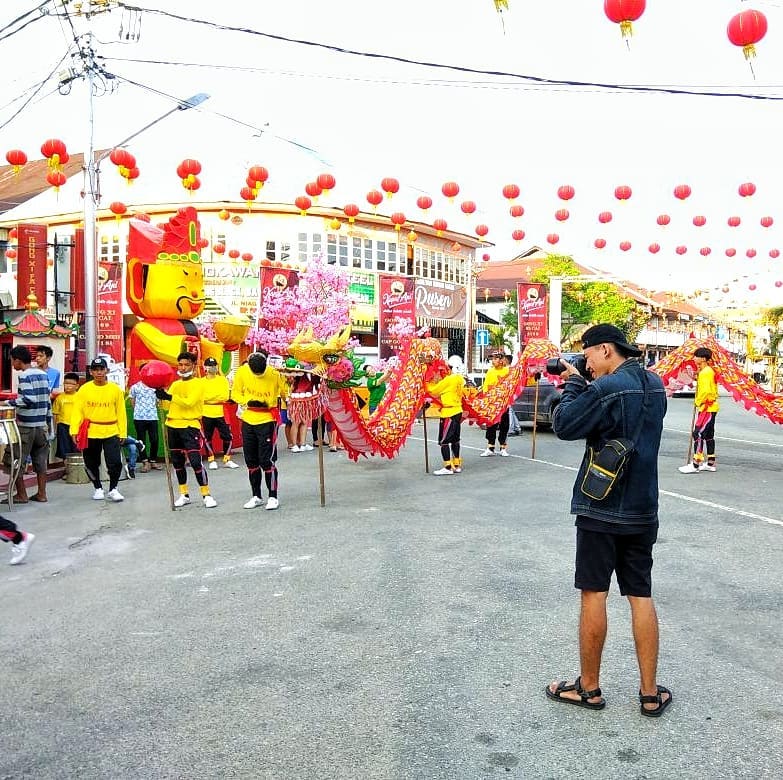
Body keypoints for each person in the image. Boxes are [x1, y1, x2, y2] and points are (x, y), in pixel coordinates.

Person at [546, 324, 672, 718]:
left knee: (594, 593)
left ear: (605, 349)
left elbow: (565, 425)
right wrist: (587, 381)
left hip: (599, 507)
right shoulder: (655, 386)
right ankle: (650, 693)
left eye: (588, 356)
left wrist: (573, 384)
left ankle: (589, 688)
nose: (587, 364)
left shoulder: (606, 388)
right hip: (642, 507)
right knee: (641, 596)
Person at [156, 352, 217, 508]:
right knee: (177, 463)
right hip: (173, 425)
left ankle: (206, 494)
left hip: (190, 426)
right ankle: (184, 494)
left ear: (193, 366)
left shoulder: (198, 384)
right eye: (180, 365)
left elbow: (189, 403)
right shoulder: (175, 385)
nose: (183, 368)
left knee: (196, 462)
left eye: (186, 364)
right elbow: (168, 406)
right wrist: (160, 396)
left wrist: (169, 397)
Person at [232, 351, 289, 510]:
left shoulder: (274, 374)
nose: (258, 374)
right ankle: (256, 495)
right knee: (251, 461)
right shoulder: (242, 372)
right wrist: (247, 401)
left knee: (267, 460)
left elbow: (286, 393)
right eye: (255, 372)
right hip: (248, 418)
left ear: (266, 366)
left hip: (267, 420)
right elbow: (235, 392)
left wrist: (290, 391)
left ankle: (273, 496)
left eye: (261, 372)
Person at [69, 357, 128, 502]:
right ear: (91, 371)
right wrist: (74, 429)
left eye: (101, 369)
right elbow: (77, 411)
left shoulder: (115, 389)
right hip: (90, 431)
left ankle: (113, 488)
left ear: (106, 370)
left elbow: (121, 412)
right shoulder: (84, 389)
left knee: (114, 461)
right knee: (91, 462)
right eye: (95, 370)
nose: (99, 372)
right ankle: (98, 488)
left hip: (111, 430)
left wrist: (123, 432)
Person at [8, 345, 52, 504]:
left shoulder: (25, 376)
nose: (12, 364)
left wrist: (9, 402)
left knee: (15, 459)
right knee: (40, 462)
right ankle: (42, 494)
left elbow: (28, 399)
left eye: (12, 361)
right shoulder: (43, 374)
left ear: (18, 360)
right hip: (41, 426)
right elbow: (47, 401)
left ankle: (21, 495)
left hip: (26, 426)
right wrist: (49, 425)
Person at [678, 346, 720, 474]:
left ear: (703, 358)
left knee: (698, 433)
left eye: (696, 356)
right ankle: (711, 462)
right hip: (710, 407)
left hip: (707, 407)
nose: (694, 358)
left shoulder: (706, 372)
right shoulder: (705, 371)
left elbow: (706, 391)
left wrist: (698, 401)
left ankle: (696, 464)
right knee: (708, 435)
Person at [425, 362, 466, 475]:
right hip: (457, 410)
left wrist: (426, 379)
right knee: (455, 439)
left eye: (437, 373)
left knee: (443, 441)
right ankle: (456, 465)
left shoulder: (447, 380)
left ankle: (448, 467)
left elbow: (433, 390)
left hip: (449, 413)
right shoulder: (458, 378)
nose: (436, 376)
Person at [200, 356, 239, 470]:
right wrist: (212, 398)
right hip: (206, 412)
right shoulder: (201, 382)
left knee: (227, 436)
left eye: (214, 365)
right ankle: (211, 459)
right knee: (208, 437)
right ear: (205, 367)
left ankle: (227, 459)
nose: (212, 368)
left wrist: (210, 398)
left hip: (221, 412)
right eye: (210, 366)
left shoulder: (222, 380)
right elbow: (202, 397)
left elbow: (224, 396)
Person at [480, 351, 513, 457]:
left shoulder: (507, 371)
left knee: (504, 425)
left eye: (495, 359)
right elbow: (485, 386)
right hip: (492, 403)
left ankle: (503, 447)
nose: (493, 361)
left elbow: (511, 385)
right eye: (492, 359)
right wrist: (486, 399)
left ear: (501, 360)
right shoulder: (490, 372)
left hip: (503, 403)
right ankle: (490, 447)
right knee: (491, 425)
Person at [128, 372, 161, 472]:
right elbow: (132, 401)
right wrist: (138, 412)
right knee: (141, 440)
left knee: (154, 439)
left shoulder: (155, 387)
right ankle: (145, 461)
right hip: (139, 418)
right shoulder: (135, 387)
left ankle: (153, 460)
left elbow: (157, 401)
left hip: (152, 417)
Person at [52, 372, 80, 462]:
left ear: (77, 386)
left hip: (77, 427)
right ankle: (67, 470)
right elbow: (55, 413)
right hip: (63, 426)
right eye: (66, 383)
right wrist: (54, 429)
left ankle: (76, 470)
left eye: (71, 384)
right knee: (64, 449)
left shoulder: (80, 397)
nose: (68, 386)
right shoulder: (60, 398)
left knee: (76, 448)